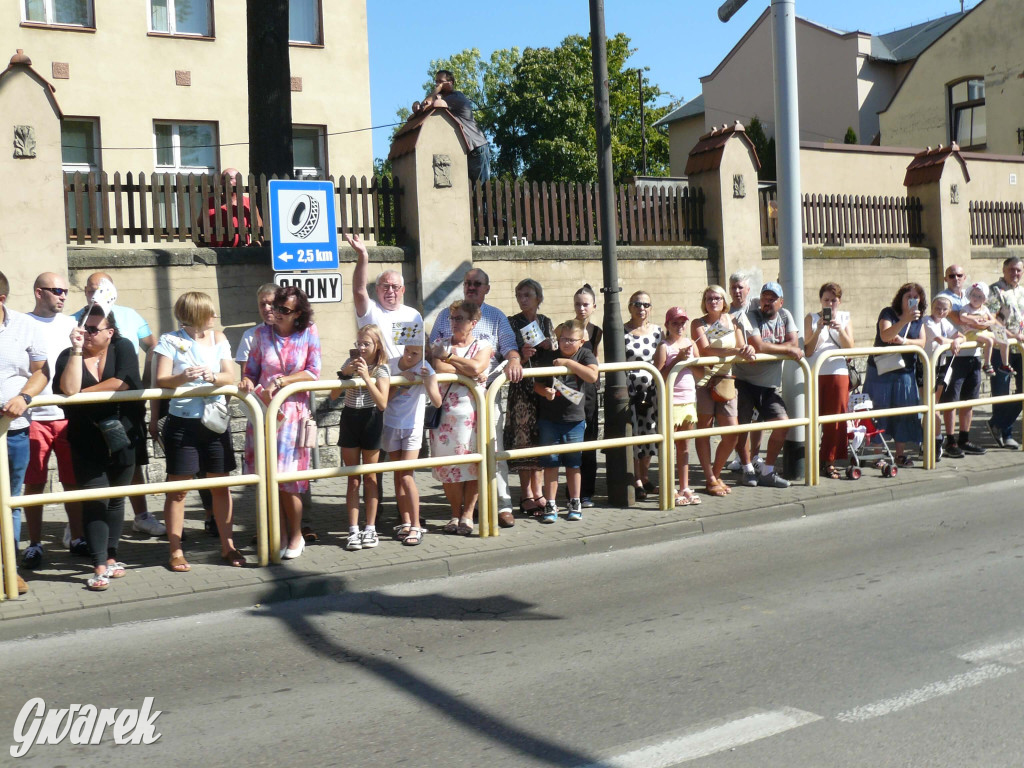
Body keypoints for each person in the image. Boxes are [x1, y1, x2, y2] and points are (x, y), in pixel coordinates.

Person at [54, 307, 144, 591]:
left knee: (116, 499)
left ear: (110, 332)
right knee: (95, 500)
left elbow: (122, 381)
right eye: (84, 328)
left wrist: (82, 394)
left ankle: (112, 555)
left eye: (94, 329)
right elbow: (66, 390)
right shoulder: (68, 356)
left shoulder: (123, 346)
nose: (88, 334)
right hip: (85, 437)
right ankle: (99, 563)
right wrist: (76, 351)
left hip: (123, 433)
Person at [430, 267, 524, 527]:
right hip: (449, 401)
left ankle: (501, 504)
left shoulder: (495, 317)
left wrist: (514, 360)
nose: (471, 287)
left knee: (492, 450)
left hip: (486, 395)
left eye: (477, 283)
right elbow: (436, 358)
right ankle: (459, 512)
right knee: (456, 459)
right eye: (468, 283)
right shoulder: (443, 317)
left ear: (487, 288)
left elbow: (508, 350)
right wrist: (469, 368)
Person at [73, 272, 165, 537]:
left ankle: (141, 515)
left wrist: (146, 383)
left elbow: (153, 348)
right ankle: (78, 525)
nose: (95, 294)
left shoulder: (130, 315)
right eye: (91, 289)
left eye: (100, 289)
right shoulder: (77, 319)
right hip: (89, 413)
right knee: (91, 471)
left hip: (126, 406)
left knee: (132, 462)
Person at [154, 292, 240, 572]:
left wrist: (213, 376)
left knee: (220, 486)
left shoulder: (220, 339)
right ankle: (176, 551)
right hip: (183, 422)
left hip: (214, 421)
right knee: (178, 490)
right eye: (210, 313)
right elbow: (162, 380)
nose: (215, 317)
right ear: (194, 315)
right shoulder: (170, 340)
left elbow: (230, 376)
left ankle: (228, 546)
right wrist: (183, 377)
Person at [238, 286, 321, 559]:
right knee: (268, 479)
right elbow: (251, 371)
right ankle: (279, 534)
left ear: (298, 313)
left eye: (284, 310)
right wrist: (248, 381)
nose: (275, 313)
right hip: (264, 412)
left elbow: (313, 372)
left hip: (293, 414)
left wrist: (283, 381)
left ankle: (296, 535)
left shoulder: (308, 332)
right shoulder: (261, 335)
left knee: (289, 480)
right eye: (275, 308)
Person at [21, 273, 85, 570]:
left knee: (72, 481)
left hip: (67, 413)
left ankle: (78, 538)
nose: (63, 296)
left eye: (65, 291)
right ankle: (34, 544)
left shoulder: (71, 324)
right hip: (33, 416)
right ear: (39, 292)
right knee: (34, 484)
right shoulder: (22, 324)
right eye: (57, 291)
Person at [0, 271, 49, 595]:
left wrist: (25, 397)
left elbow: (42, 371)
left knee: (11, 500)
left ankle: (10, 570)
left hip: (14, 431)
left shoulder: (23, 326)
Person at [430, 300, 491, 535]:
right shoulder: (440, 344)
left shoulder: (483, 344)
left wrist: (450, 359)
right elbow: (438, 368)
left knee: (473, 465)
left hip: (474, 415)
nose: (454, 323)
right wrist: (462, 366)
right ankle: (455, 513)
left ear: (473, 323)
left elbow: (477, 367)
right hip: (446, 415)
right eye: (452, 318)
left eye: (460, 319)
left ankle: (468, 515)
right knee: (450, 468)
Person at [734, 282, 802, 489]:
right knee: (742, 427)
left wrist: (787, 348)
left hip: (769, 385)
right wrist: (786, 350)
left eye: (773, 298)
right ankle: (747, 469)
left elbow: (795, 344)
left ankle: (767, 471)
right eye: (765, 297)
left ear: (781, 302)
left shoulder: (785, 316)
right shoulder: (752, 315)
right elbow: (758, 345)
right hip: (743, 381)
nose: (768, 302)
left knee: (782, 423)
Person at [330, 324, 390, 551]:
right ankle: (353, 529)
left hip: (371, 418)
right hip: (350, 418)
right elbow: (333, 394)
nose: (362, 348)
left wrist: (366, 377)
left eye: (367, 343)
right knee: (352, 477)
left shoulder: (381, 370)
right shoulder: (349, 366)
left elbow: (382, 403)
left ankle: (370, 528)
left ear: (377, 346)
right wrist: (345, 374)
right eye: (359, 343)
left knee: (371, 477)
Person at [532, 321, 599, 522]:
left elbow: (592, 376)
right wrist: (545, 392)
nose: (566, 343)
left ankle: (575, 502)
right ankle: (550, 505)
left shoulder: (585, 355)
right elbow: (537, 383)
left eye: (571, 340)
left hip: (574, 419)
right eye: (563, 339)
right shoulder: (549, 356)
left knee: (573, 463)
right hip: (549, 419)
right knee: (550, 463)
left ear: (582, 341)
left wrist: (568, 363)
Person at [691, 285, 755, 497]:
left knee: (731, 433)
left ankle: (715, 474)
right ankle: (710, 478)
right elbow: (705, 349)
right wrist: (736, 350)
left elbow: (741, 346)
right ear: (704, 301)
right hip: (704, 381)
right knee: (704, 430)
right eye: (709, 298)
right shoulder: (697, 323)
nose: (713, 301)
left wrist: (747, 349)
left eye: (717, 298)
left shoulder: (733, 321)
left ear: (724, 300)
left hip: (726, 381)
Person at [383, 345, 442, 546]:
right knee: (399, 476)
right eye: (407, 351)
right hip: (391, 424)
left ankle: (416, 524)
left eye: (415, 353)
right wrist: (400, 382)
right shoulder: (391, 364)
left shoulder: (426, 367)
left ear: (423, 354)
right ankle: (406, 521)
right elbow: (383, 400)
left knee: (407, 476)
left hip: (412, 427)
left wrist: (426, 380)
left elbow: (437, 402)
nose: (408, 356)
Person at [504, 278, 553, 517]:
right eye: (519, 295)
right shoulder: (511, 322)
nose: (523, 299)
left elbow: (554, 350)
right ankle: (526, 495)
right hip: (522, 389)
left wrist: (548, 343)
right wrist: (521, 356)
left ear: (538, 298)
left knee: (540, 439)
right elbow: (506, 356)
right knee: (524, 441)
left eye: (527, 295)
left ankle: (539, 491)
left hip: (542, 388)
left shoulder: (545, 321)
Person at [863, 282, 926, 466]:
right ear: (901, 298)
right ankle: (878, 455)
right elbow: (885, 335)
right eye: (908, 296)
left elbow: (922, 343)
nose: (912, 300)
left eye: (916, 297)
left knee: (904, 413)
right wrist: (904, 320)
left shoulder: (919, 319)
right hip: (881, 372)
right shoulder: (888, 313)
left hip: (905, 372)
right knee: (879, 410)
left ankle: (900, 454)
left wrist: (904, 342)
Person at [346, 233, 423, 365]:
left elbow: (414, 352)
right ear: (377, 289)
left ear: (403, 290)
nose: (390, 291)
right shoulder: (371, 310)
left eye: (395, 287)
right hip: (377, 377)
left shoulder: (412, 315)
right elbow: (359, 291)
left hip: (405, 380)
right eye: (385, 286)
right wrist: (363, 256)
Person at [804, 282, 854, 480]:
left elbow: (851, 349)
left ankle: (830, 461)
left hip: (838, 373)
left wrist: (840, 330)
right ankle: (812, 459)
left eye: (833, 300)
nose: (830, 303)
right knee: (813, 417)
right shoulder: (812, 317)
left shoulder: (845, 317)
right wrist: (818, 329)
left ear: (839, 301)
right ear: (820, 300)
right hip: (816, 373)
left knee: (835, 420)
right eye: (826, 300)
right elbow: (808, 349)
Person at [937, 265, 987, 458]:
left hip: (973, 354)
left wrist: (988, 321)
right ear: (945, 278)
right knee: (951, 400)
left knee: (969, 400)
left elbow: (990, 313)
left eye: (959, 275)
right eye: (952, 275)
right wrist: (982, 320)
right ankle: (950, 441)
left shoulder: (971, 296)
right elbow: (958, 318)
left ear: (965, 277)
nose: (956, 278)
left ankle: (964, 439)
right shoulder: (943, 297)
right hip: (953, 356)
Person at [654, 307, 701, 506]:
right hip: (670, 401)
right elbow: (659, 377)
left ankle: (685, 486)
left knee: (684, 447)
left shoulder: (691, 343)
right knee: (669, 447)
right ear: (667, 325)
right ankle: (669, 486)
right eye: (675, 323)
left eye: (682, 322)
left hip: (689, 400)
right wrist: (678, 361)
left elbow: (701, 374)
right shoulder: (664, 347)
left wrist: (692, 361)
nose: (680, 326)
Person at [417, 69, 490, 183]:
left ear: (450, 82)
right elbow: (423, 108)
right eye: (436, 82)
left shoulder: (455, 97)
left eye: (441, 82)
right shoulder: (443, 98)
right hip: (469, 148)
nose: (437, 85)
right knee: (469, 189)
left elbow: (425, 106)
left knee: (481, 191)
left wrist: (437, 90)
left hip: (477, 147)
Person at [623, 290, 662, 500]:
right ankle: (636, 479)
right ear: (629, 307)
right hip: (631, 392)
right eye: (637, 304)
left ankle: (645, 477)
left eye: (646, 305)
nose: (641, 308)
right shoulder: (622, 331)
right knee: (635, 435)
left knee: (650, 434)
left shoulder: (657, 332)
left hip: (652, 390)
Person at [985, 256, 1024, 448]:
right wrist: (1014, 335)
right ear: (1004, 270)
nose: (1015, 273)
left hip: (1021, 350)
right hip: (1002, 349)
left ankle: (998, 424)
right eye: (1011, 270)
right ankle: (1006, 434)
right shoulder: (996, 290)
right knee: (1002, 392)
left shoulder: (1022, 292)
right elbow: (994, 321)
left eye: (1018, 270)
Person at [923, 295, 965, 461]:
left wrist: (958, 340)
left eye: (944, 309)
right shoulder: (927, 321)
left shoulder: (945, 322)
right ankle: (930, 439)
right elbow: (940, 339)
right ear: (932, 307)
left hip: (940, 366)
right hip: (927, 366)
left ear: (948, 311)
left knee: (936, 404)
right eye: (937, 308)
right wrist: (953, 342)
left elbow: (961, 336)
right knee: (929, 404)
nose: (940, 311)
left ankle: (936, 439)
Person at [574, 284, 603, 508]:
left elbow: (597, 361)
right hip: (571, 388)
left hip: (590, 389)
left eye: (585, 304)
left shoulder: (596, 331)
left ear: (594, 306)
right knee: (572, 441)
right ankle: (572, 490)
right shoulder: (565, 328)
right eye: (578, 304)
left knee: (589, 440)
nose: (581, 308)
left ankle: (587, 492)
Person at [196, 168, 263, 247]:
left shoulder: (249, 203)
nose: (225, 181)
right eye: (223, 178)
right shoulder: (209, 203)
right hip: (216, 251)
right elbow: (197, 229)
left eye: (230, 178)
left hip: (243, 252)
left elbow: (260, 230)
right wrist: (203, 246)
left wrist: (256, 244)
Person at [960, 282, 1010, 376]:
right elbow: (962, 317)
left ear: (984, 299)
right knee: (989, 341)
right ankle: (987, 364)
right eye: (974, 295)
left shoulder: (985, 309)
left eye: (979, 296)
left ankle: (1005, 364)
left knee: (1003, 338)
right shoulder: (966, 308)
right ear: (969, 295)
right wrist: (974, 320)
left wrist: (986, 323)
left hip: (983, 331)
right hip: (971, 333)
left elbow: (992, 320)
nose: (975, 298)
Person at [235, 282, 279, 374]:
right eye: (262, 304)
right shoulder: (250, 336)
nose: (266, 308)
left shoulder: (297, 332)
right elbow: (246, 375)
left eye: (271, 303)